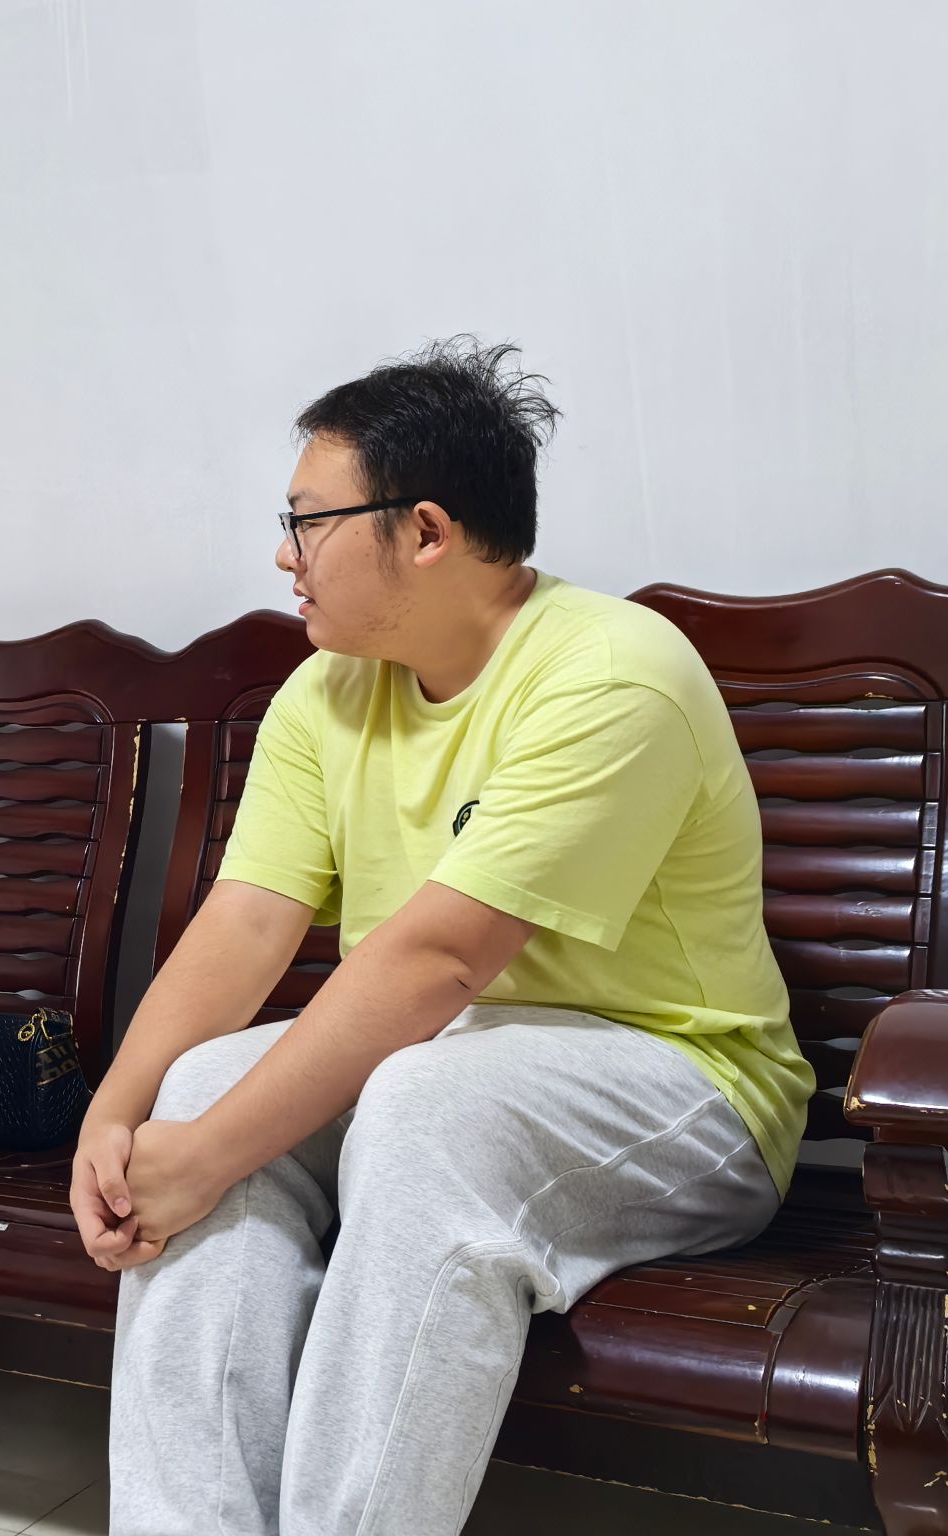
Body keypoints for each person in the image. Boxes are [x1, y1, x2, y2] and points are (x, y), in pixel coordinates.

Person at [71, 340, 813, 1535]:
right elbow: (245, 922)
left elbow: (439, 961)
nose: (282, 555)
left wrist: (201, 1157)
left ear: (422, 531)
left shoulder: (610, 673)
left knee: (414, 1110)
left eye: (306, 522)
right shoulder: (325, 691)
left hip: (683, 1088)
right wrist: (117, 1116)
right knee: (202, 1086)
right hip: (441, 1066)